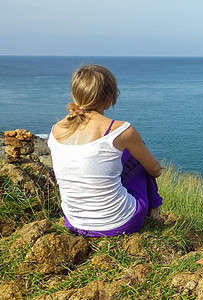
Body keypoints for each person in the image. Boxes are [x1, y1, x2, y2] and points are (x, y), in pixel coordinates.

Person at [48, 64, 164, 237]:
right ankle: (154, 211)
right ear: (108, 98)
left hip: (74, 223)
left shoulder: (56, 130)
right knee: (136, 155)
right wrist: (152, 166)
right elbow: (155, 171)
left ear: (75, 94)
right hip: (119, 222)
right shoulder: (121, 131)